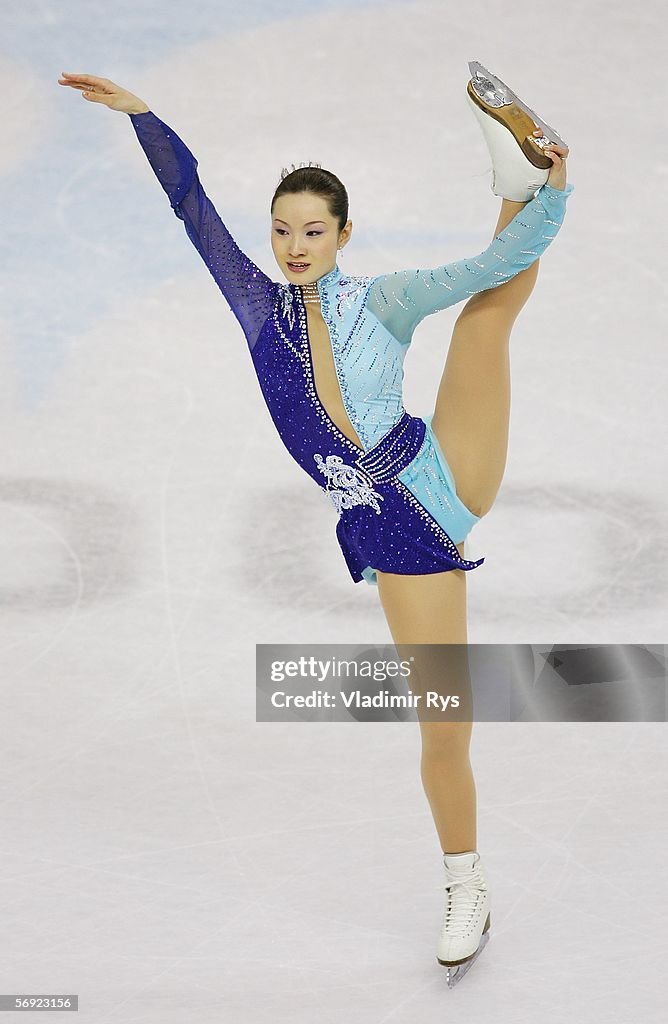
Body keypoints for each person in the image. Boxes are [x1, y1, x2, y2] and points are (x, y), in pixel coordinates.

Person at [58, 61, 573, 985]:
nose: (294, 245)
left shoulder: (383, 301)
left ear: (343, 235)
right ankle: (516, 178)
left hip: (431, 494)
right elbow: (190, 206)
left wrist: (558, 195)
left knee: (485, 318)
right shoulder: (257, 309)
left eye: (313, 231)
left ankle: (466, 881)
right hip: (375, 518)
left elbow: (487, 266)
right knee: (441, 717)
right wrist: (144, 115)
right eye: (284, 230)